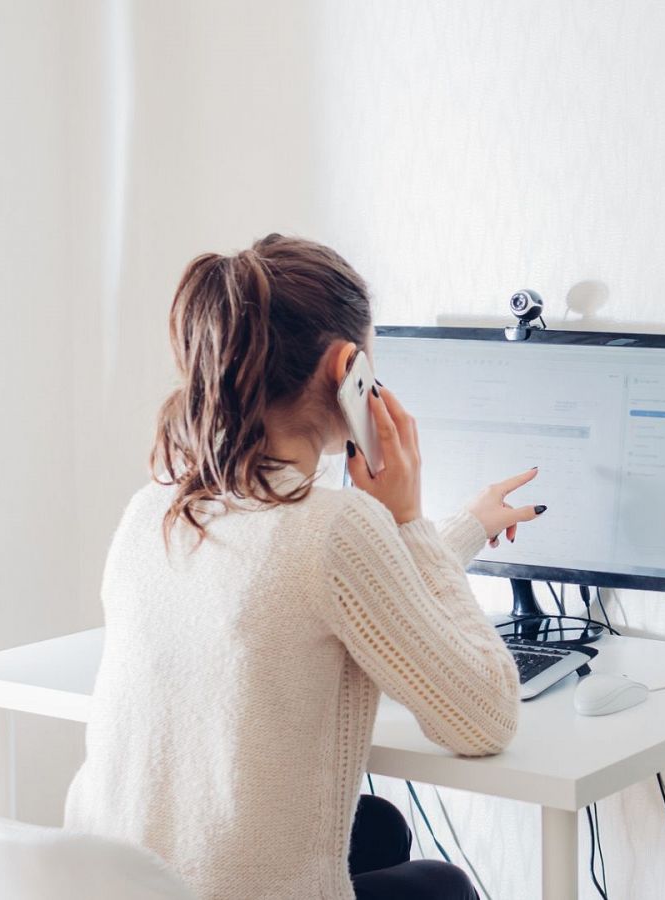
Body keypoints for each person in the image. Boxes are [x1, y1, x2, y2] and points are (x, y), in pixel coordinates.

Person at [64, 234, 539, 899]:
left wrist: (465, 528)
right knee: (442, 885)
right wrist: (406, 520)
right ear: (349, 366)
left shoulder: (155, 510)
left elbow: (325, 590)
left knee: (377, 830)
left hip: (114, 884)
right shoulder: (339, 527)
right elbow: (485, 720)